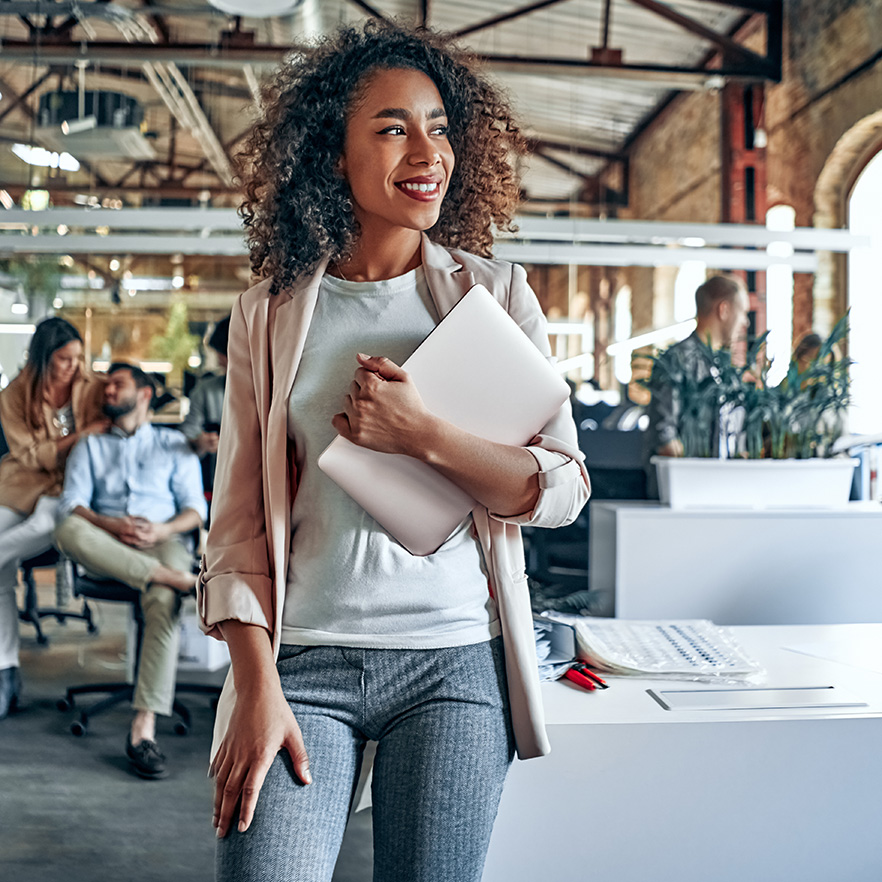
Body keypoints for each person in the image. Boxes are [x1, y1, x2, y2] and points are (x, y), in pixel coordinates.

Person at [198, 21, 590, 882]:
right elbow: (235, 533)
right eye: (391, 127)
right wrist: (255, 687)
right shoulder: (269, 314)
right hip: (304, 660)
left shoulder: (493, 293)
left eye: (440, 126)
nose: (428, 151)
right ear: (332, 153)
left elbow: (561, 488)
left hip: (454, 663)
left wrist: (425, 437)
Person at [54, 362, 207, 778]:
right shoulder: (91, 446)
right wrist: (111, 524)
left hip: (165, 542)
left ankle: (144, 727)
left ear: (143, 394)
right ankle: (178, 581)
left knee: (162, 601)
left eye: (116, 385)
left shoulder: (173, 443)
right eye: (105, 386)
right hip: (107, 545)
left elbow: (196, 509)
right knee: (66, 528)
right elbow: (72, 504)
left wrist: (163, 527)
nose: (106, 392)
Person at [0, 317, 107, 719]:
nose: (74, 366)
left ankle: (5, 675)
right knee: (2, 570)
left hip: (70, 489)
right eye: (64, 359)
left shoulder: (91, 386)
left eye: (78, 357)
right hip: (23, 483)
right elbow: (28, 456)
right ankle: (5, 669)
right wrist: (80, 436)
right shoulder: (14, 394)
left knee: (46, 525)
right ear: (44, 357)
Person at [644, 274, 750, 496]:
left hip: (721, 492)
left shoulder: (725, 370)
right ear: (724, 310)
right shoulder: (677, 361)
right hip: (685, 495)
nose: (745, 323)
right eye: (743, 313)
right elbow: (665, 437)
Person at [180, 315, 230, 496]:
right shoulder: (206, 390)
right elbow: (187, 435)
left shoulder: (272, 390)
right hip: (219, 486)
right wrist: (200, 442)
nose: (219, 361)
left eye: (222, 354)